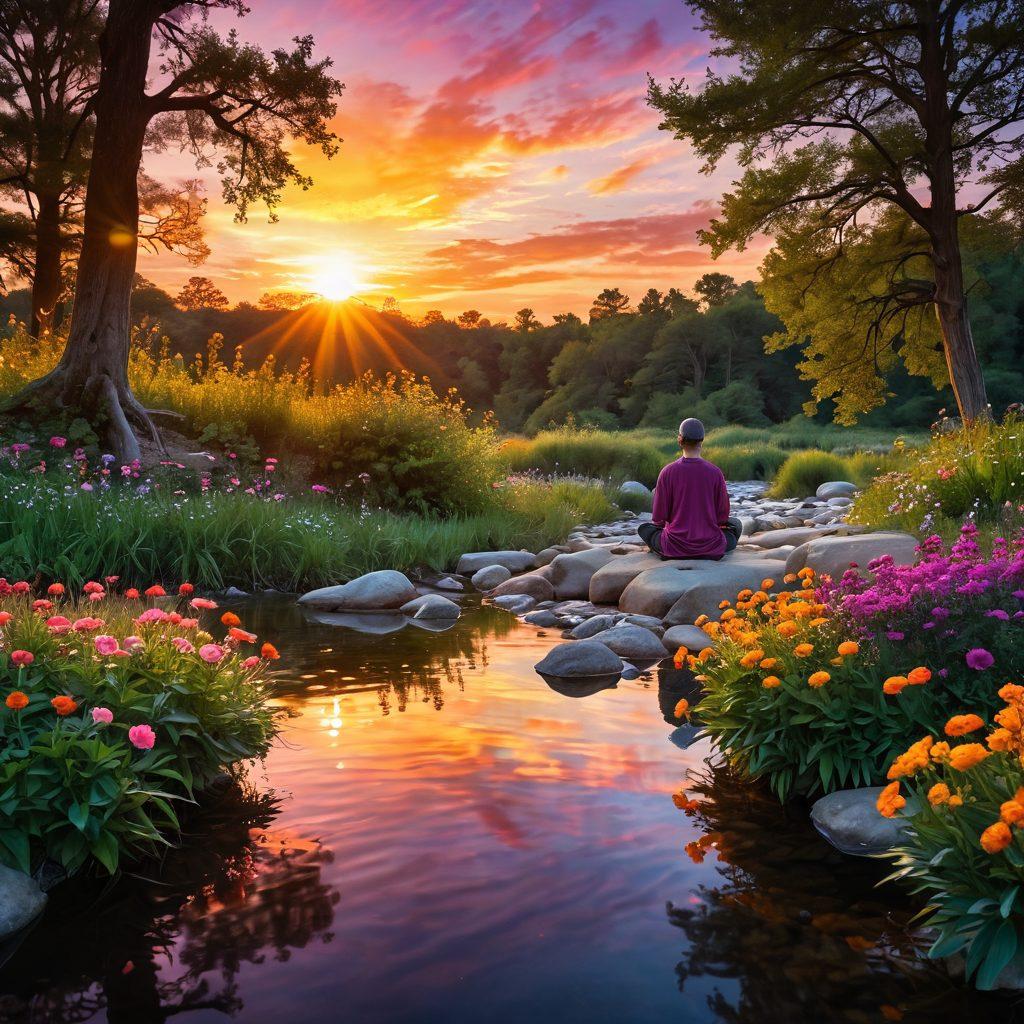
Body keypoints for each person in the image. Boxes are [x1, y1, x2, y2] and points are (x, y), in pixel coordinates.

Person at [637, 418, 742, 560]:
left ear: (680, 440)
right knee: (736, 524)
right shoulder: (715, 472)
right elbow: (722, 517)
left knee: (644, 529)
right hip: (711, 547)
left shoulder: (667, 472)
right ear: (702, 440)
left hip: (674, 547)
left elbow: (658, 517)